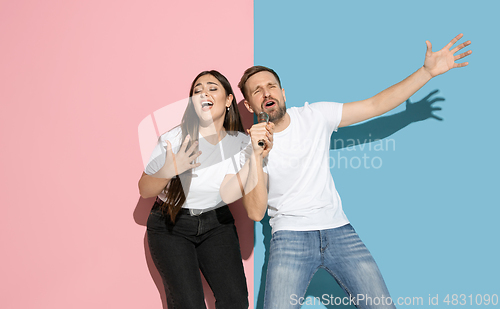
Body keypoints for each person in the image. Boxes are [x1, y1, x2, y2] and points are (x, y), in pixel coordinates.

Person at [237, 34, 472, 309]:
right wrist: (256, 154)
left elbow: (374, 105)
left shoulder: (315, 116)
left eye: (272, 86)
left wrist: (426, 72)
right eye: (257, 91)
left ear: (283, 93)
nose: (267, 93)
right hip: (290, 237)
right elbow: (254, 213)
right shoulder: (247, 148)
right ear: (250, 105)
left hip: (339, 231)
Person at [138, 70, 272, 309]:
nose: (203, 93)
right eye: (197, 90)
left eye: (212, 88)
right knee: (188, 303)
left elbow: (232, 194)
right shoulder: (175, 138)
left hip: (216, 223)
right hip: (170, 224)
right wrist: (170, 169)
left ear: (229, 99)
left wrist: (255, 157)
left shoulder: (241, 144)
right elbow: (145, 189)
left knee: (235, 301)